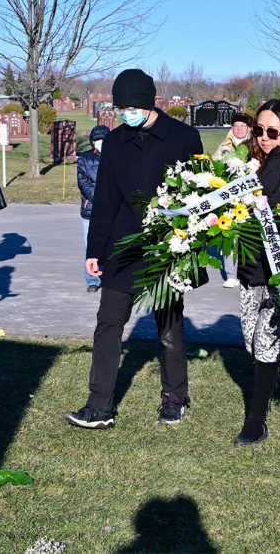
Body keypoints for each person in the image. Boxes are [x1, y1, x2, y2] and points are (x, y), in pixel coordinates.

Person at [64, 69, 205, 429]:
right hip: (123, 246)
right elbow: (105, 200)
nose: (124, 112)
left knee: (169, 326)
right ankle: (99, 407)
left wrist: (190, 246)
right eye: (119, 106)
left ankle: (175, 397)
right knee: (108, 324)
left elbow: (199, 195)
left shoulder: (184, 137)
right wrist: (94, 250)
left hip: (168, 247)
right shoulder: (113, 142)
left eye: (129, 106)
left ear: (147, 102)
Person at [232, 100, 280, 446]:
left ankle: (256, 421)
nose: (264, 137)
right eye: (259, 130)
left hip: (279, 271)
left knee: (265, 341)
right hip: (250, 267)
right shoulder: (250, 165)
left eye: (272, 131)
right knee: (252, 341)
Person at [213, 113, 253, 288]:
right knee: (229, 235)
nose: (239, 129)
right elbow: (214, 166)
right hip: (229, 198)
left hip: (251, 196)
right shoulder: (224, 146)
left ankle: (249, 273)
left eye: (243, 126)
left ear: (249, 129)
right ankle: (231, 274)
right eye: (236, 125)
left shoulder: (256, 145)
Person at [77, 124, 110, 293]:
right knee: (90, 246)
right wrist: (99, 196)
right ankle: (92, 279)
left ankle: (110, 277)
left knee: (111, 245)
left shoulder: (116, 158)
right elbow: (82, 181)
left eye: (103, 140)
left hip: (112, 210)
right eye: (97, 140)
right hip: (91, 209)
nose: (100, 143)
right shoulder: (85, 158)